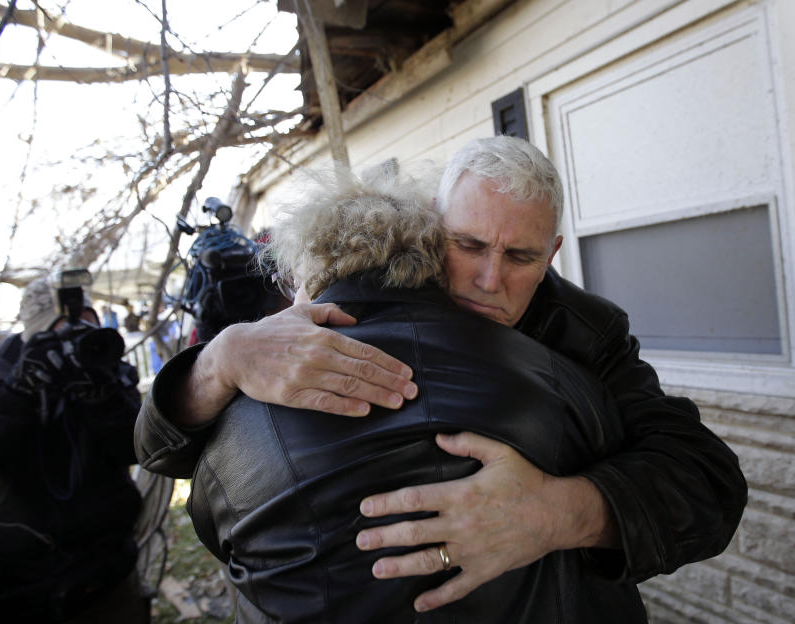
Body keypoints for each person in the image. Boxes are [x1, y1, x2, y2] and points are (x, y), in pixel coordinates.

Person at [135, 136, 746, 613]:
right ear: (433, 225)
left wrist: (557, 513)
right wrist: (219, 362)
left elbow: (707, 485)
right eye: (469, 245)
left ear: (553, 253)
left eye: (520, 256)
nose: (488, 279)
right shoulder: (348, 303)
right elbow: (156, 450)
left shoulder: (588, 334)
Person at [0, 276, 149, 624]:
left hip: (107, 576)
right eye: (66, 330)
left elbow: (139, 449)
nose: (79, 338)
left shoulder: (108, 370)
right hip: (14, 590)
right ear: (36, 333)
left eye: (88, 325)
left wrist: (105, 398)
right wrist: (19, 392)